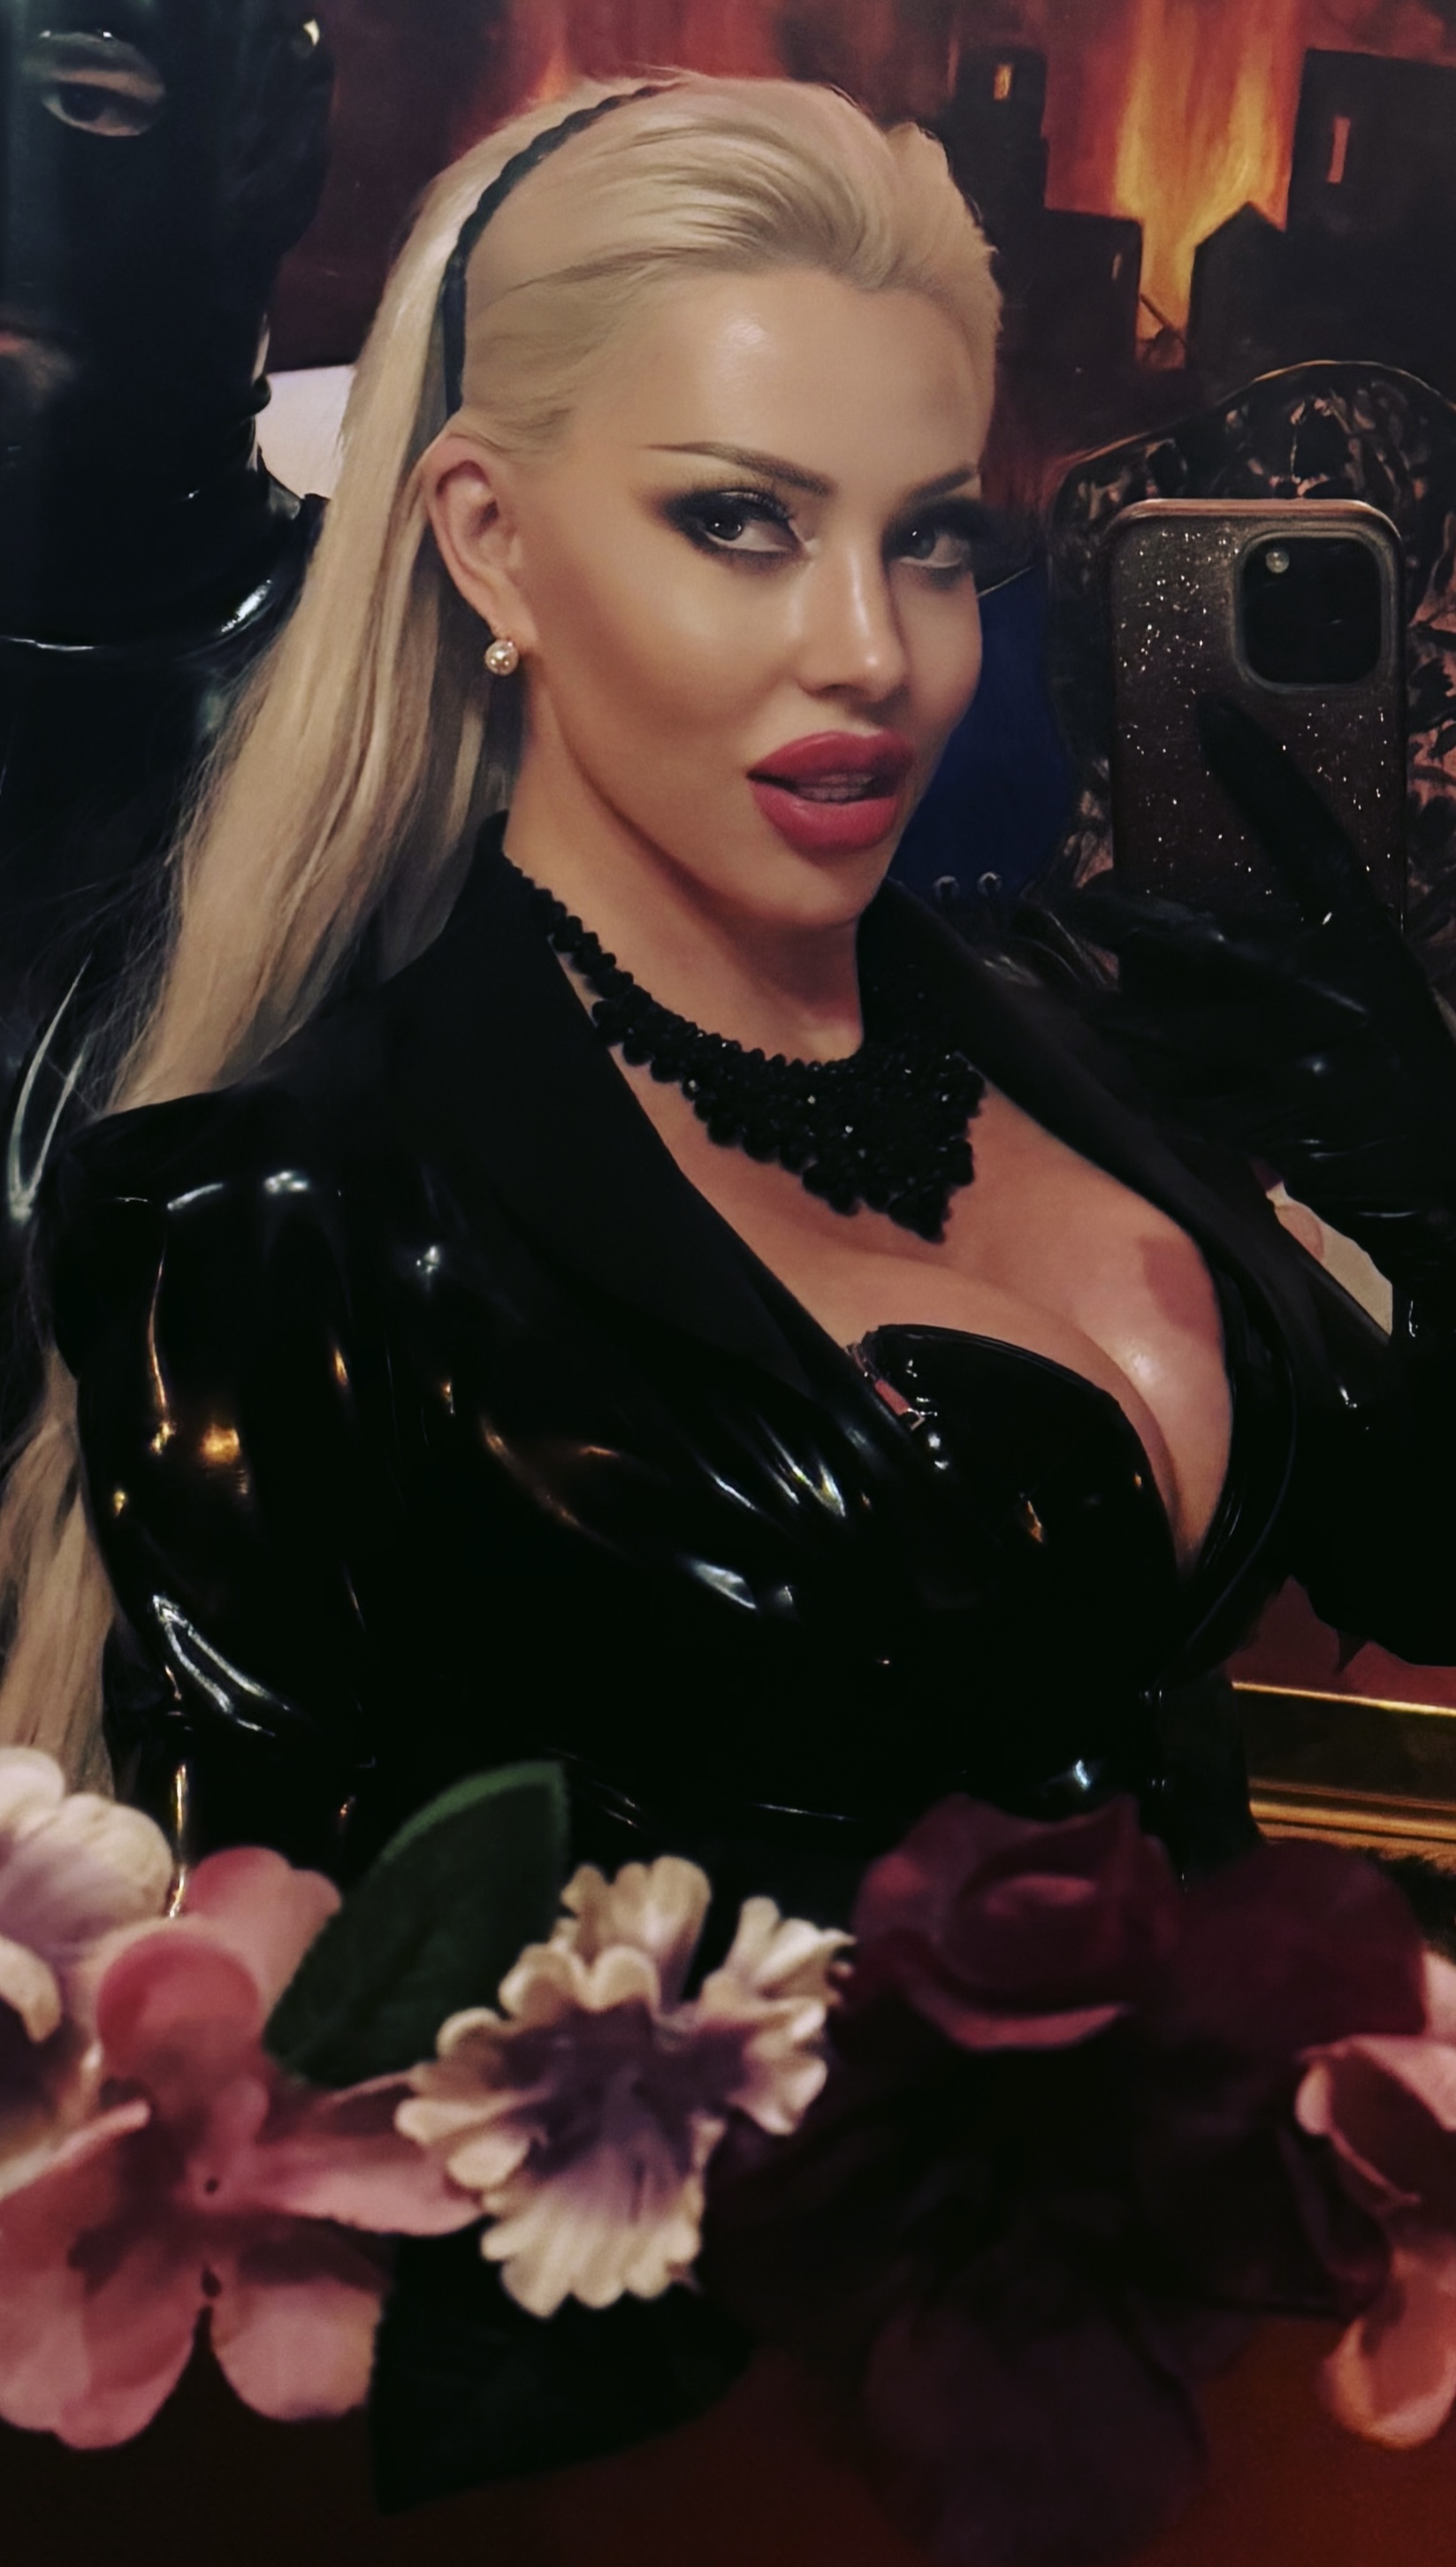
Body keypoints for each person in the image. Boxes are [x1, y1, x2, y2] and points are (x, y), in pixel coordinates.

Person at [3, 72, 1455, 1933]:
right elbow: (266, 2032)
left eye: (930, 538)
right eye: (739, 521)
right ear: (487, 537)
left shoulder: (1077, 1033)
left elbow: (1416, 1568)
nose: (870, 650)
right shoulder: (283, 1218)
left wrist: (1425, 1189)